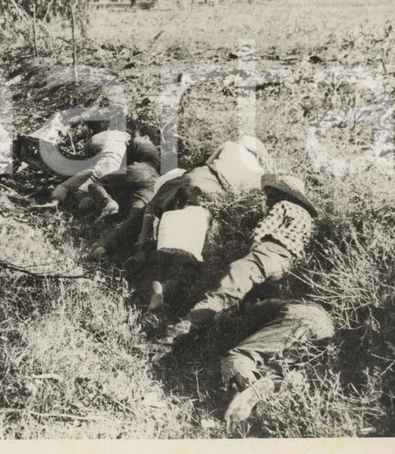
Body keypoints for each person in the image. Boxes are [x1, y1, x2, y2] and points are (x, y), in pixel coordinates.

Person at [161, 173, 318, 341]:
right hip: (286, 266)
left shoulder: (284, 205)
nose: (268, 198)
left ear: (284, 194)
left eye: (272, 193)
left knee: (225, 291)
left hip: (267, 254)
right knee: (255, 304)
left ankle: (180, 332)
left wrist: (253, 247)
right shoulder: (307, 218)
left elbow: (261, 231)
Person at [127, 135, 269, 270]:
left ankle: (143, 248)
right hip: (219, 194)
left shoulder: (230, 146)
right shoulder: (258, 173)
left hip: (202, 176)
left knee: (155, 204)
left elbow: (207, 163)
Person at [220, 298, 335, 430]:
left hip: (303, 318)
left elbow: (254, 345)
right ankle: (276, 392)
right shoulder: (291, 301)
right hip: (326, 332)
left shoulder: (261, 305)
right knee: (277, 370)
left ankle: (249, 385)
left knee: (237, 355)